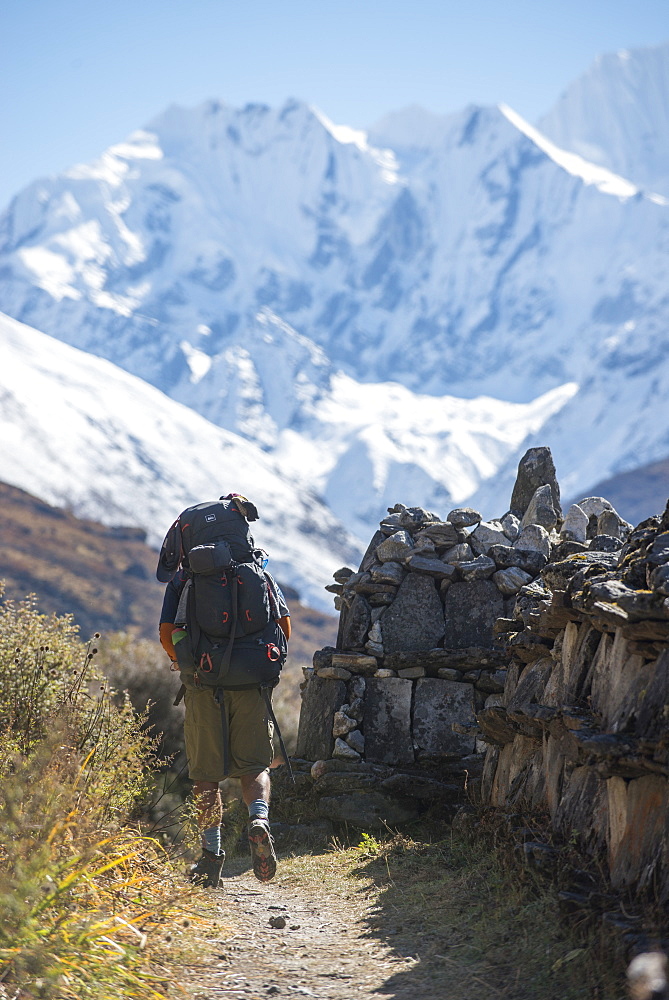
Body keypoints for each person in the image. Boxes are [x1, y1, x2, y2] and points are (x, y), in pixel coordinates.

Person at [159, 564, 291, 888]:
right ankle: (258, 819)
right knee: (255, 764)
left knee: (205, 774)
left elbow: (167, 633)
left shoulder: (186, 577)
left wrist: (187, 665)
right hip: (251, 685)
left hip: (203, 684)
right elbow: (284, 628)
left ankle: (211, 858)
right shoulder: (258, 571)